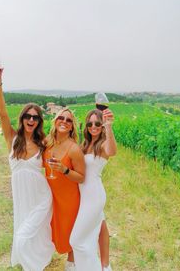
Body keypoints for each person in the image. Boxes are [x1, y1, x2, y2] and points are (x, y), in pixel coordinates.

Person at [0, 68, 54, 271]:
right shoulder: (12, 138)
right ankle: (32, 264)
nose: (31, 120)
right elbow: (2, 113)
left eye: (35, 117)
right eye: (28, 116)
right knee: (26, 230)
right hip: (22, 197)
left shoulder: (43, 143)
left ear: (39, 121)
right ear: (23, 118)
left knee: (33, 233)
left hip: (41, 196)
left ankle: (38, 262)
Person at [70, 108, 117, 271]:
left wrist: (109, 127)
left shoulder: (103, 144)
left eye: (98, 123)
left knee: (76, 240)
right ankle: (105, 266)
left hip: (94, 195)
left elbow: (112, 151)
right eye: (90, 123)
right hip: (84, 195)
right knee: (100, 227)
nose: (93, 126)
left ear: (102, 125)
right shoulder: (85, 144)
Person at [43, 108, 85, 271]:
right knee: (51, 228)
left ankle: (71, 265)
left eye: (69, 120)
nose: (64, 121)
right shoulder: (47, 142)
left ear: (72, 127)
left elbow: (81, 177)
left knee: (69, 231)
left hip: (68, 198)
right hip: (50, 195)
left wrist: (64, 169)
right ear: (55, 121)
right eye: (61, 118)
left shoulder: (74, 149)